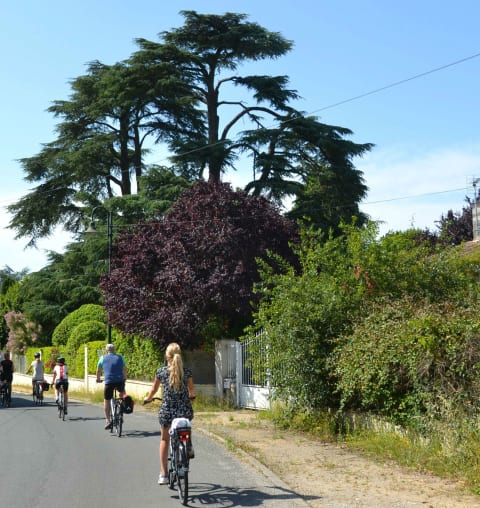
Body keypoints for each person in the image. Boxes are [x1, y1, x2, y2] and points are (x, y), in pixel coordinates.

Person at [144, 342, 195, 485]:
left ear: (167, 356)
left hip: (167, 412)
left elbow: (153, 390)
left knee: (165, 440)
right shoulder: (187, 372)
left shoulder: (161, 372)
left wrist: (148, 399)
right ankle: (188, 445)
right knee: (185, 426)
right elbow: (192, 391)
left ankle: (164, 474)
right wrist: (191, 396)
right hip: (184, 410)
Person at [96, 343, 127, 429]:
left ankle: (108, 420)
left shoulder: (102, 358)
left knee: (106, 400)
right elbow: (124, 369)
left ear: (106, 350)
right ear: (114, 350)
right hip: (119, 381)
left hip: (109, 382)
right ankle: (122, 409)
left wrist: (98, 379)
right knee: (123, 393)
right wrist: (125, 378)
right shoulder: (121, 357)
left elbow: (98, 370)